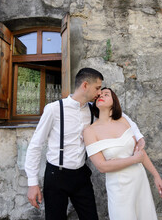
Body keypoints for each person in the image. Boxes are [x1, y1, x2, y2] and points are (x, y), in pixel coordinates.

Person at [25, 68, 146, 220]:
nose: (99, 93)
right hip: (56, 175)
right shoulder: (54, 109)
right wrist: (32, 183)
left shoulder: (92, 110)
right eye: (97, 88)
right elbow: (36, 145)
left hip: (81, 175)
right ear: (85, 85)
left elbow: (120, 117)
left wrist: (139, 136)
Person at [84, 87, 162, 220]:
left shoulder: (123, 120)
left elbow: (140, 152)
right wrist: (133, 160)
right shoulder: (90, 131)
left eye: (106, 94)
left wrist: (156, 176)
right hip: (119, 187)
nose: (101, 96)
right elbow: (102, 166)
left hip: (139, 179)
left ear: (114, 101)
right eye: (99, 95)